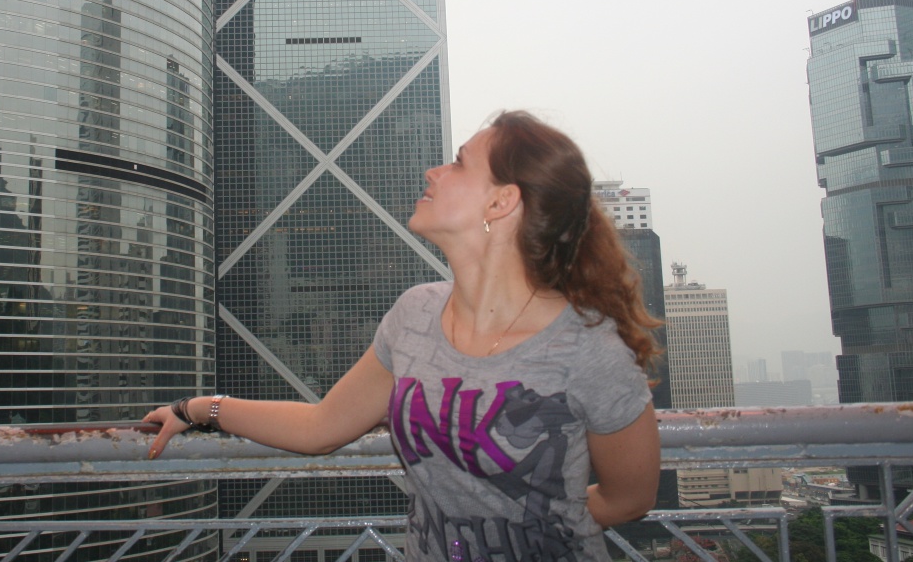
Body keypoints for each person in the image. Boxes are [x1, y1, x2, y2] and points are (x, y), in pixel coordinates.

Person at [142, 110, 662, 562]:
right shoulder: (415, 314)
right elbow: (321, 427)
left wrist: (537, 529)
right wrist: (200, 408)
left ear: (501, 202)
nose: (433, 171)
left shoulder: (589, 349)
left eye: (458, 163)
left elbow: (630, 498)